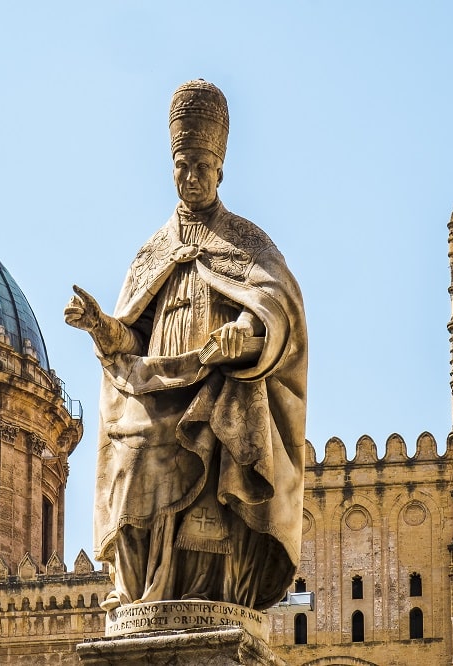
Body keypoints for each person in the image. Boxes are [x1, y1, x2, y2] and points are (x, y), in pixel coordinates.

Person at [65, 80, 307, 612]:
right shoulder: (153, 250)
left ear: (220, 170)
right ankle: (140, 592)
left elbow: (277, 308)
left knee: (220, 441)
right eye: (182, 166)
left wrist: (245, 328)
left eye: (202, 166)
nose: (191, 176)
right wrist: (100, 325)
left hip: (218, 385)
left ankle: (208, 596)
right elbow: (131, 338)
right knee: (131, 465)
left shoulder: (248, 243)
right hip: (156, 389)